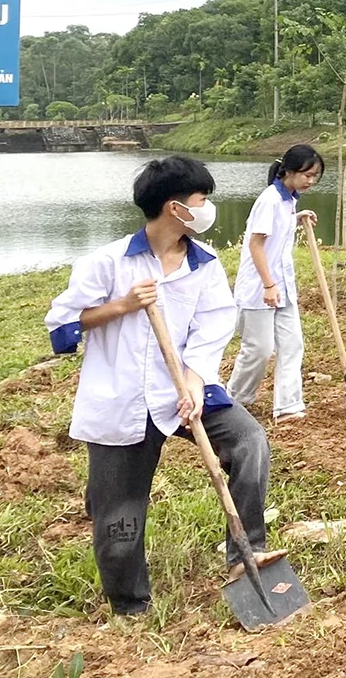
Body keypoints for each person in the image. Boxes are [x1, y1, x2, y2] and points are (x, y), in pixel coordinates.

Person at [45, 156, 284, 616]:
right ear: (176, 207)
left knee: (249, 441)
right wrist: (122, 306)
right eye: (202, 199)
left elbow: (214, 325)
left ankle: (247, 552)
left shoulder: (204, 263)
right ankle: (129, 603)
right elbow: (62, 328)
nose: (207, 207)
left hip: (185, 391)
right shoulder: (107, 263)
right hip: (123, 400)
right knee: (120, 517)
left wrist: (193, 381)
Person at [226, 145, 323, 423]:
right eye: (307, 175)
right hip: (260, 287)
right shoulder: (269, 199)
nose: (311, 181)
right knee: (259, 349)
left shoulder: (289, 199)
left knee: (292, 345)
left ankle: (288, 406)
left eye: (315, 176)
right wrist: (268, 285)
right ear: (289, 171)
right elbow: (256, 244)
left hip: (283, 286)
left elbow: (277, 229)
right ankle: (234, 399)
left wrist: (298, 218)